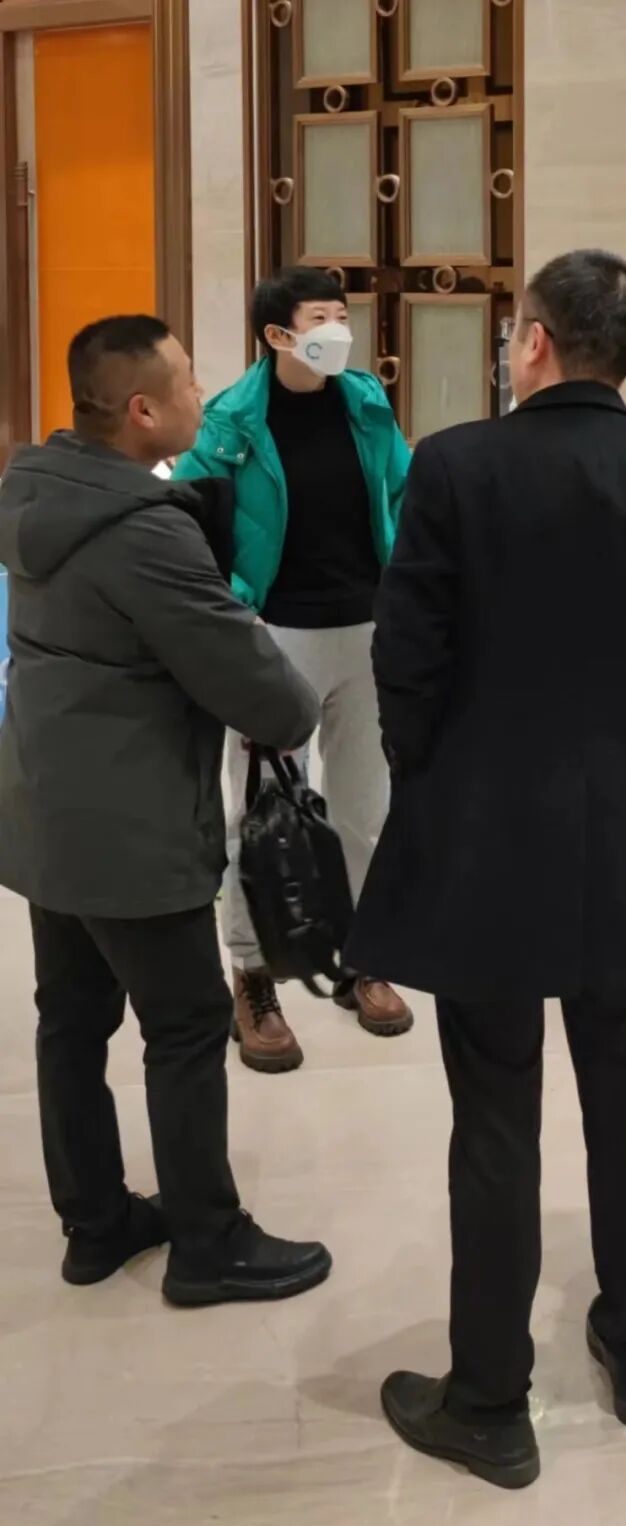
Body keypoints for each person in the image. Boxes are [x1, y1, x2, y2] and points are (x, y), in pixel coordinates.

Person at [349, 250, 626, 1488]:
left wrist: (434, 767)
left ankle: (488, 1400)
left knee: (494, 1109)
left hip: (484, 835)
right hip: (618, 830)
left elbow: (407, 654)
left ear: (531, 342)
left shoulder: (456, 465)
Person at [0, 315, 333, 1306]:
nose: (202, 394)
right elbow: (268, 694)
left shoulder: (36, 490)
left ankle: (95, 1224)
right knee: (186, 1025)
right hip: (133, 827)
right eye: (186, 382)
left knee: (70, 1020)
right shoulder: (146, 534)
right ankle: (208, 1244)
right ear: (142, 410)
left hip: (47, 809)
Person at [173, 267, 414, 1072]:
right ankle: (252, 975)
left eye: (343, 314)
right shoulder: (231, 421)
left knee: (363, 809)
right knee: (263, 815)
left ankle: (361, 958)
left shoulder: (365, 402)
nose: (338, 330)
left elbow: (403, 495)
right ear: (278, 334)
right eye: (321, 317)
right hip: (276, 636)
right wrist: (233, 612)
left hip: (367, 630)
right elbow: (192, 526)